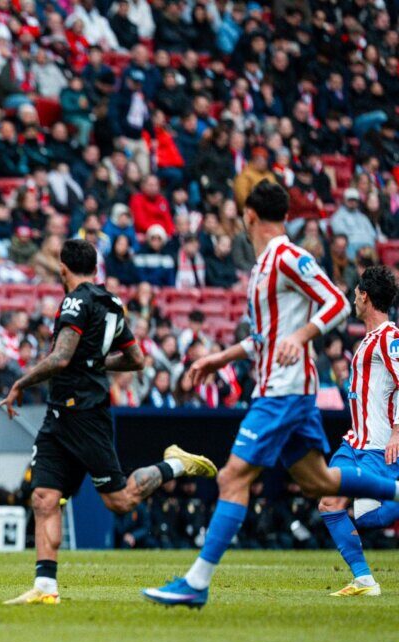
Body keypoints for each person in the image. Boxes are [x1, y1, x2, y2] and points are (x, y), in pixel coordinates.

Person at [144, 181, 399, 609]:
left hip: (283, 393)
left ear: (248, 216)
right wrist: (218, 358)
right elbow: (263, 338)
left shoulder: (288, 256)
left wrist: (300, 336)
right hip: (283, 392)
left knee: (232, 477)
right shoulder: (264, 266)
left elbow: (335, 301)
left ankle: (196, 582)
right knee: (322, 485)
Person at [0, 239, 218, 605]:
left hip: (85, 413)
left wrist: (21, 382)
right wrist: (97, 363)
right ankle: (45, 587)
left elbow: (61, 357)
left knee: (119, 501)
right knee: (43, 496)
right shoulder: (112, 303)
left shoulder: (74, 301)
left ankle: (175, 463)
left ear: (63, 268)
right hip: (60, 413)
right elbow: (135, 359)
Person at [312, 266, 399, 597]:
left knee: (367, 514)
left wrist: (397, 432)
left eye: (356, 292)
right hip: (354, 442)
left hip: (377, 445)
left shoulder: (390, 337)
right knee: (329, 503)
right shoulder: (369, 339)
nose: (353, 297)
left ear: (365, 295)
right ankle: (364, 579)